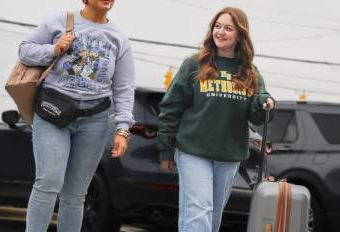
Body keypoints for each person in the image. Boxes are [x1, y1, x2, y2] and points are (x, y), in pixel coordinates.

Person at [18, 0, 135, 231]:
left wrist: (123, 128)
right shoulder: (60, 20)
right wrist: (53, 49)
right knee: (48, 182)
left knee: (75, 194)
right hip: (54, 110)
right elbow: (24, 49)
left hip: (95, 119)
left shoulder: (119, 38)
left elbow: (124, 87)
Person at [157, 7, 275, 232]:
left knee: (212, 219)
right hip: (193, 151)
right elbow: (171, 108)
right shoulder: (195, 64)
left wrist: (265, 102)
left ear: (240, 35)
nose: (220, 32)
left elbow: (256, 114)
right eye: (217, 26)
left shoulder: (250, 72)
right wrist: (165, 148)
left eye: (228, 28)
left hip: (229, 155)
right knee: (198, 211)